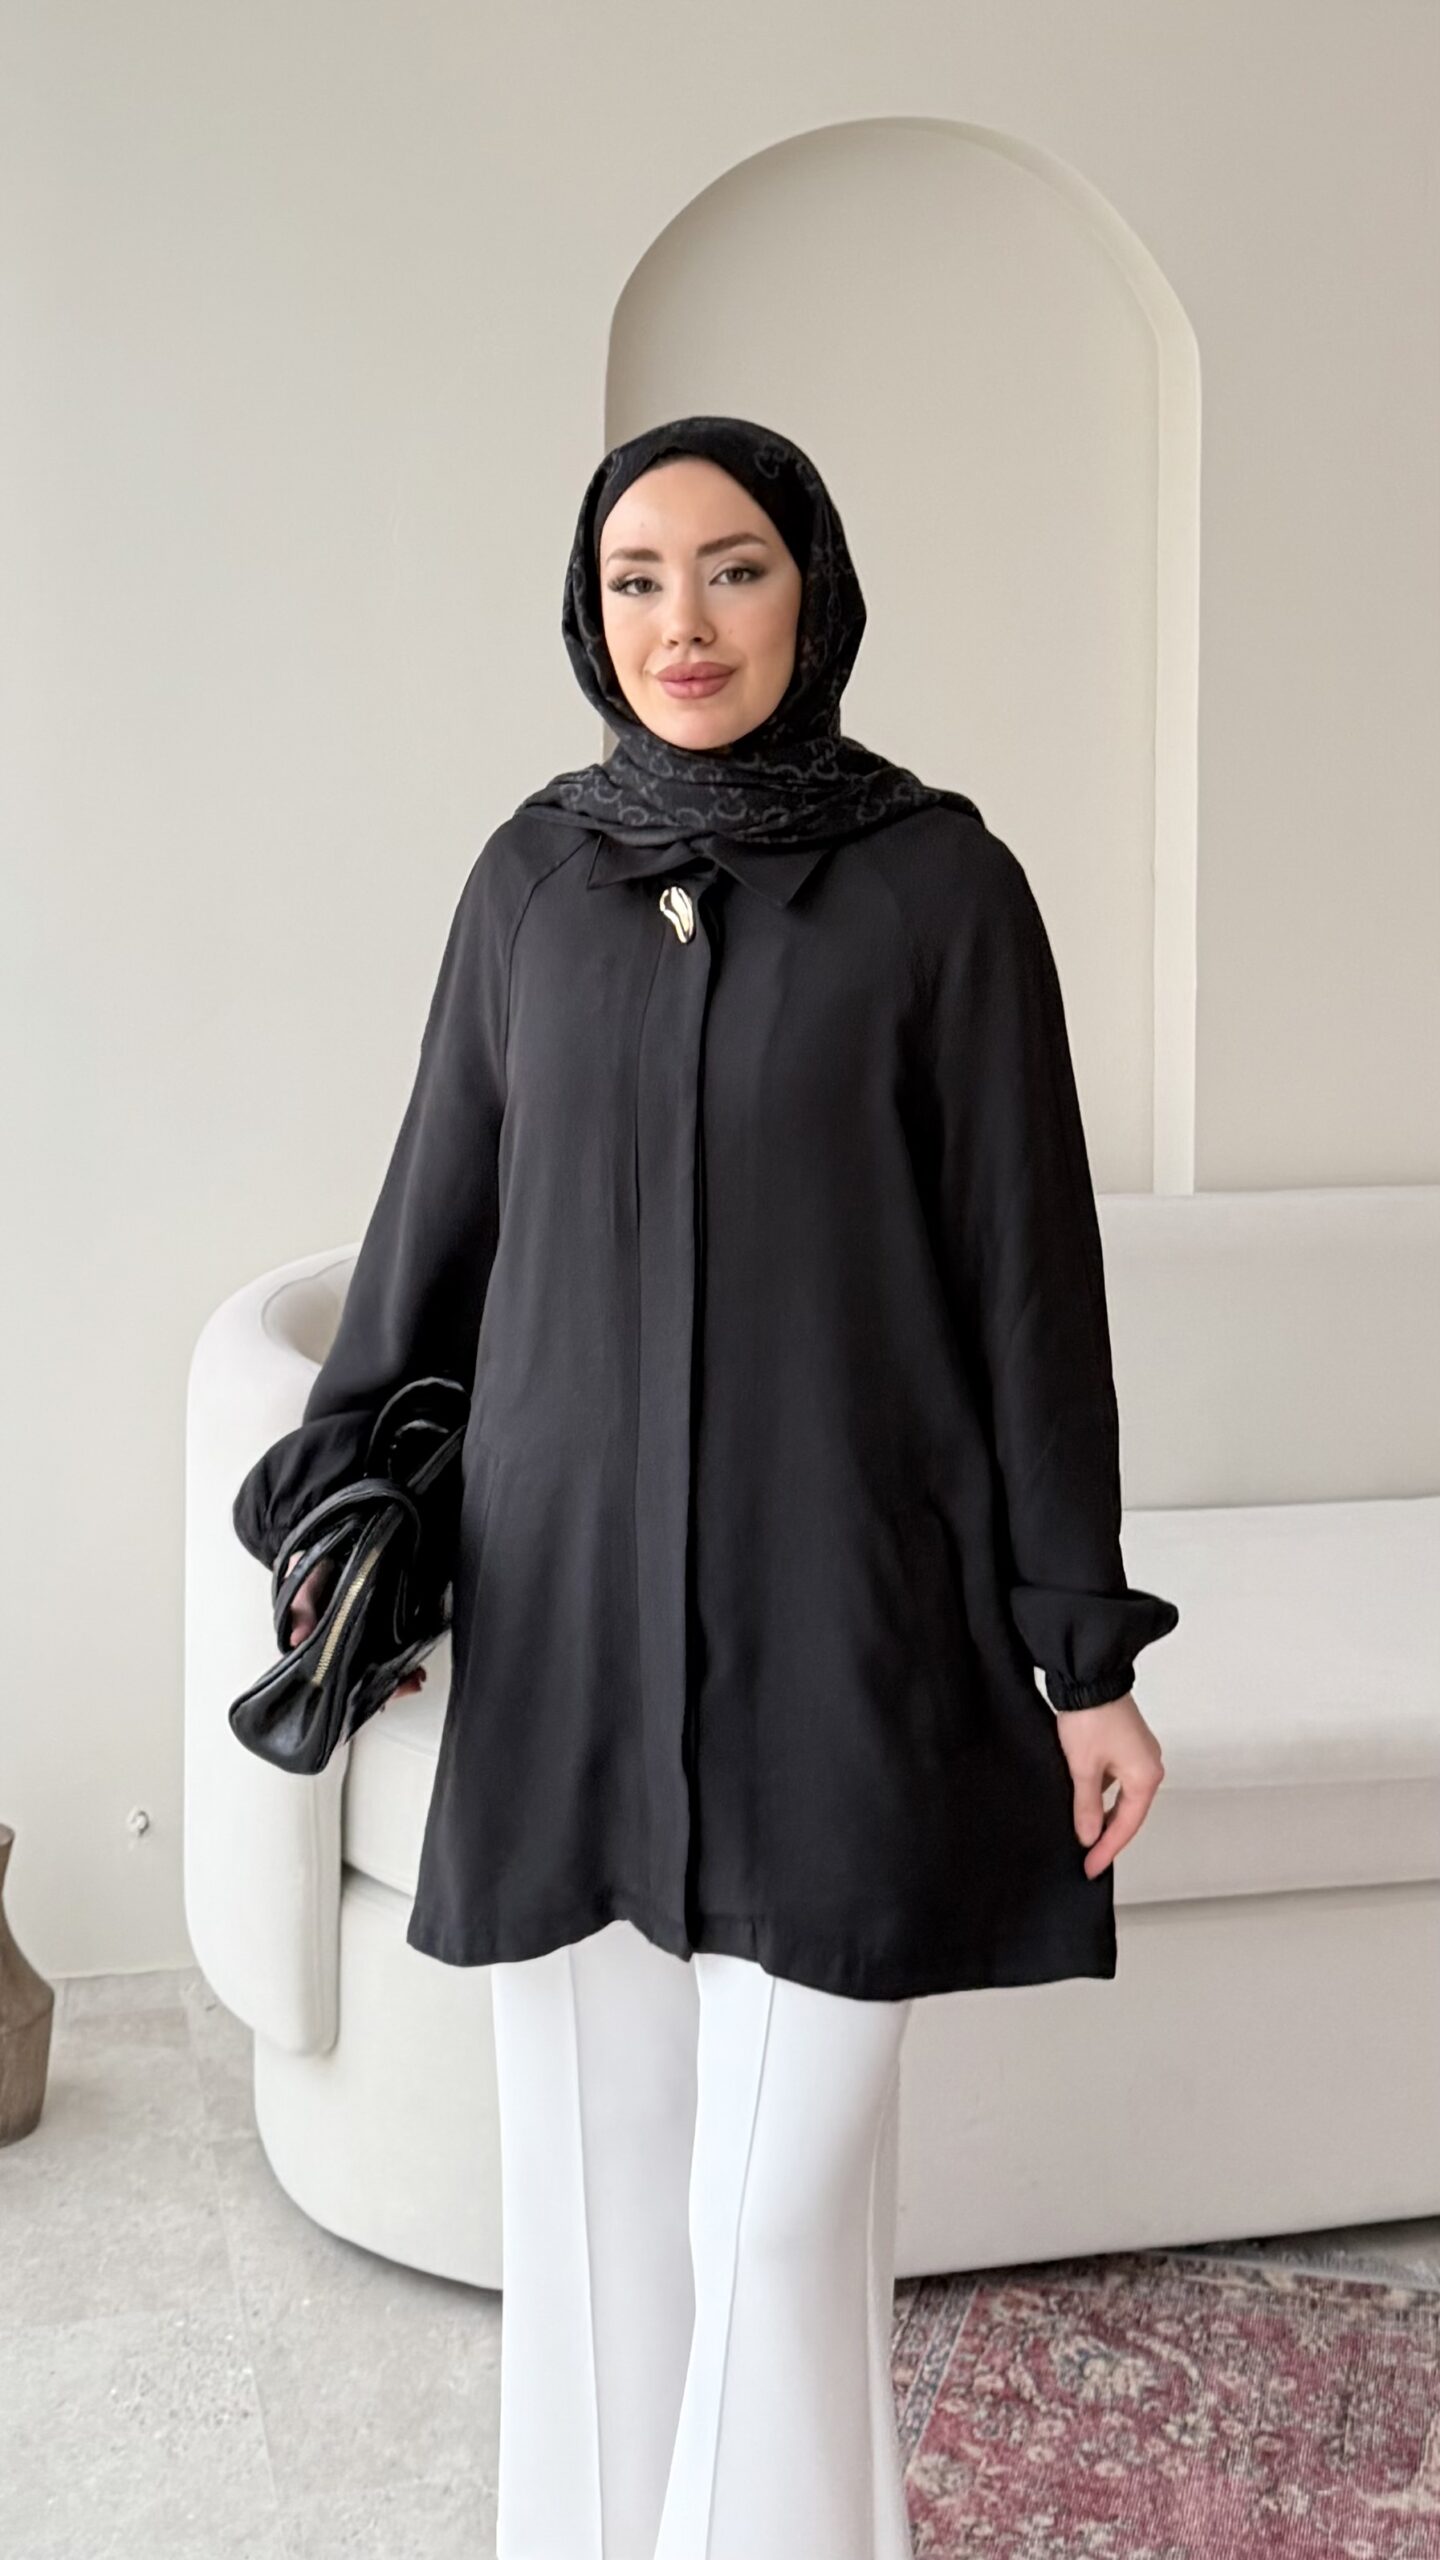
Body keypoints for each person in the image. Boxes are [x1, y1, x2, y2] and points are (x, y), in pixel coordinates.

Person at [233, 414, 1180, 2558]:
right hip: (567, 1634)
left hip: (852, 1632)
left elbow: (1032, 1286)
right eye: (638, 576)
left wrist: (1085, 1654)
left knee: (772, 2220)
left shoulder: (942, 888)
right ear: (590, 612)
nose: (685, 620)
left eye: (734, 568)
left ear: (811, 591)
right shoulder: (533, 882)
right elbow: (432, 1237)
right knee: (594, 2222)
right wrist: (336, 1525)